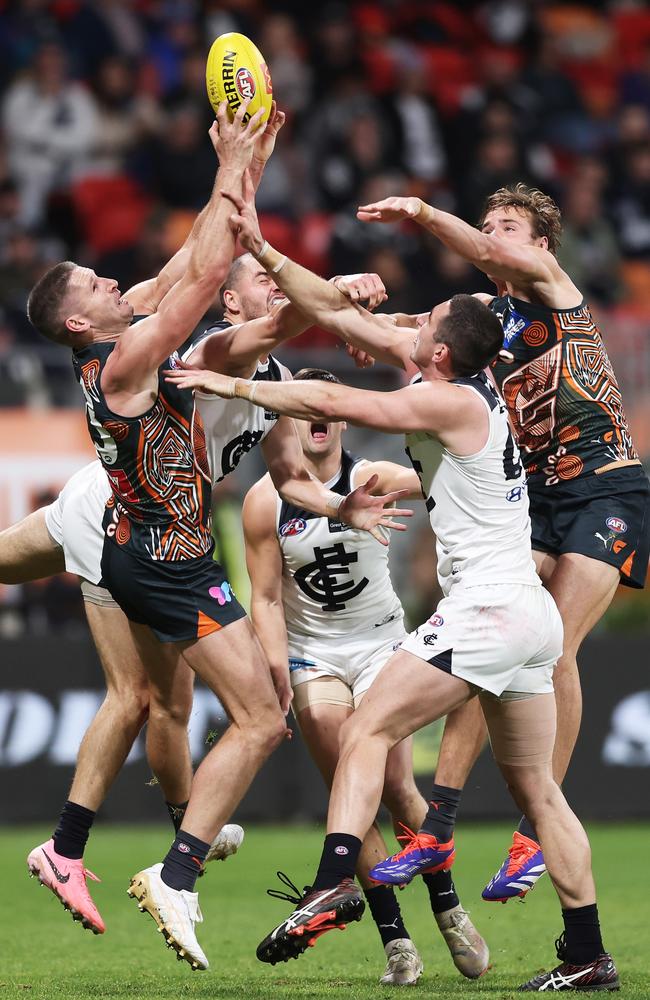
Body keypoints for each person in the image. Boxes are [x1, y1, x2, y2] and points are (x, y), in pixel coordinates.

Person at [166, 208, 619, 991]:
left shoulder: (451, 401)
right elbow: (342, 316)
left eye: (425, 322)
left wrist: (231, 383)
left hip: (489, 611)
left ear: (436, 351)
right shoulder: (461, 383)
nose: (408, 323)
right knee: (539, 788)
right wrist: (270, 251)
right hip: (528, 621)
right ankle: (588, 957)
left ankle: (339, 874)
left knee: (367, 732)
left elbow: (342, 404)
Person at [25, 101, 411, 973]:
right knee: (247, 715)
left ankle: (167, 859)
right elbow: (207, 279)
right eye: (94, 284)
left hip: (151, 544)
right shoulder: (131, 356)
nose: (110, 283)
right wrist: (235, 166)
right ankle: (174, 867)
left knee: (190, 708)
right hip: (155, 552)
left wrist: (249, 161)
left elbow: (197, 264)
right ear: (82, 324)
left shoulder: (124, 330)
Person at [354, 184, 650, 902]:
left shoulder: (554, 286)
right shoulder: (486, 317)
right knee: (489, 629)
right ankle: (442, 821)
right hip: (541, 494)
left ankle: (531, 834)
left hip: (606, 487)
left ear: (541, 243)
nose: (494, 237)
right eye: (489, 226)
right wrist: (349, 306)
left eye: (509, 226)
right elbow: (401, 328)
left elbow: (484, 253)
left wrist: (423, 214)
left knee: (555, 649)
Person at [242, 367, 488, 985]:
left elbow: (447, 472)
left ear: (342, 418)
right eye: (301, 409)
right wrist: (274, 669)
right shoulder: (265, 501)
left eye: (325, 408)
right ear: (288, 421)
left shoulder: (373, 477)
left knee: (401, 789)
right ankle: (396, 941)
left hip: (382, 646)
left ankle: (447, 906)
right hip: (313, 656)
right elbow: (267, 599)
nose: (315, 419)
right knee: (351, 796)